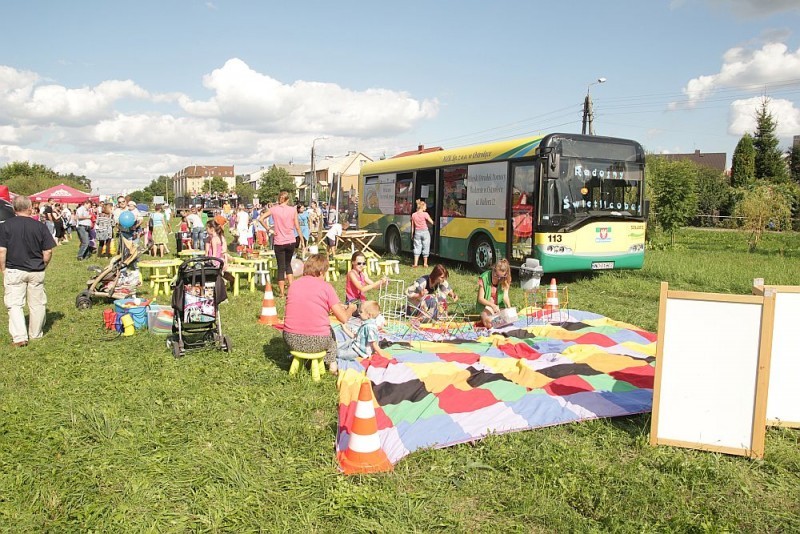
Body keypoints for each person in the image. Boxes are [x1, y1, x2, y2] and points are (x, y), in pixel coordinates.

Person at [0, 195, 57, 347]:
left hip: (14, 269)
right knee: (37, 304)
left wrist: (3, 268)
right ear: (30, 208)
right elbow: (48, 251)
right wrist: (44, 264)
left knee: (15, 304)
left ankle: (20, 337)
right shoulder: (40, 226)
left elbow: (2, 251)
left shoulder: (5, 226)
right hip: (36, 269)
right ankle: (35, 333)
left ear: (13, 209)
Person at [283, 254, 352, 375]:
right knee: (331, 333)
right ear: (321, 272)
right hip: (318, 341)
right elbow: (343, 318)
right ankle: (332, 364)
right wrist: (351, 308)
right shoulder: (326, 287)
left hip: (291, 340)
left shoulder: (293, 285)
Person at [258, 191, 304, 298]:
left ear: (279, 199)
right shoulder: (293, 210)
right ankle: (291, 292)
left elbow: (260, 219)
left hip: (279, 241)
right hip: (291, 240)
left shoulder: (274, 209)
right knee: (288, 265)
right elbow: (297, 226)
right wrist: (301, 239)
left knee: (281, 267)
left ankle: (282, 293)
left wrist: (269, 229)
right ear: (288, 200)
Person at [476, 259, 512, 328]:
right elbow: (480, 299)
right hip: (486, 306)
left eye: (501, 277)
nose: (498, 278)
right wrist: (492, 305)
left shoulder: (505, 279)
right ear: (493, 269)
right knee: (490, 323)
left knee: (507, 319)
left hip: (499, 306)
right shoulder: (484, 277)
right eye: (496, 275)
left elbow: (505, 296)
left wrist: (509, 308)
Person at [411, 199, 434, 268]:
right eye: (425, 207)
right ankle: (425, 263)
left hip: (417, 232)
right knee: (426, 247)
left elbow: (413, 226)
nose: (426, 208)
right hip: (425, 232)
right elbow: (432, 222)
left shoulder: (413, 215)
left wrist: (412, 234)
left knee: (417, 247)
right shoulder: (425, 214)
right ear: (422, 207)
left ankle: (415, 264)